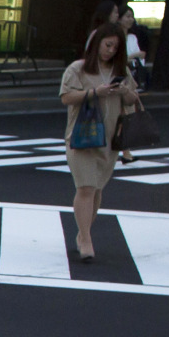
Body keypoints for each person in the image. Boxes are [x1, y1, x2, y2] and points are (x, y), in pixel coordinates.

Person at [61, 24, 140, 264]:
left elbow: (133, 99)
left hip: (110, 139)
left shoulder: (121, 70)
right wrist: (96, 92)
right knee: (85, 187)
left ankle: (83, 232)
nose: (111, 50)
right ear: (97, 44)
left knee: (96, 190)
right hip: (82, 137)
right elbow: (66, 97)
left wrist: (123, 90)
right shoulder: (78, 69)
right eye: (108, 45)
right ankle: (85, 238)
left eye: (116, 47)